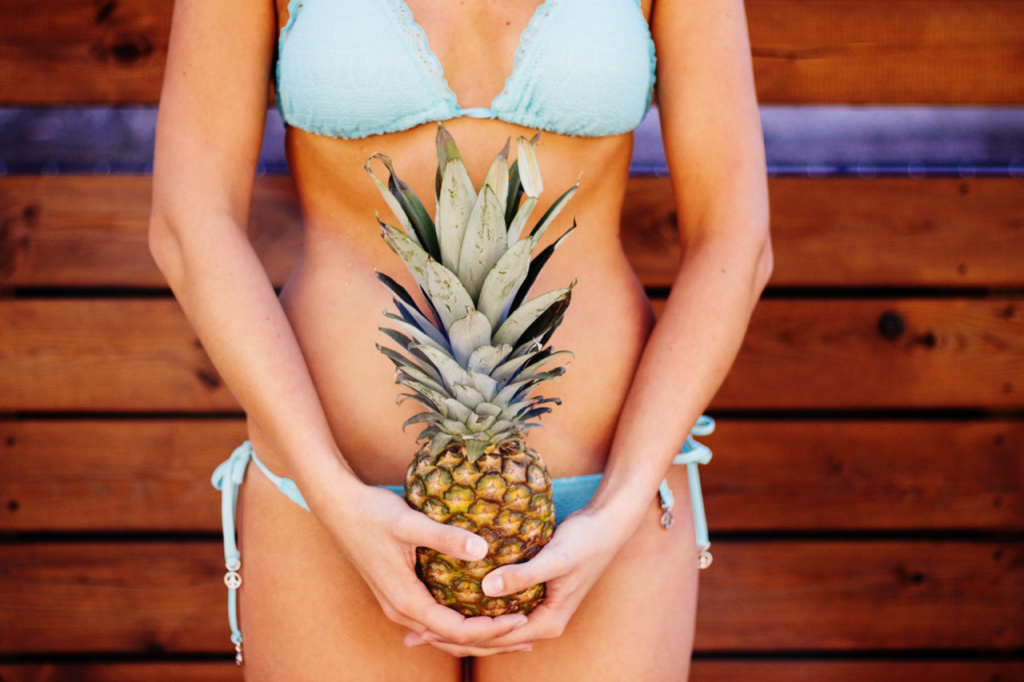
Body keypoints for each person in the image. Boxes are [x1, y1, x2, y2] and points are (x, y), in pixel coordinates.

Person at [149, 0, 772, 677]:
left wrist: (622, 503)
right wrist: (330, 490)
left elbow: (734, 238)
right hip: (326, 491)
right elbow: (190, 218)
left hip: (607, 495)